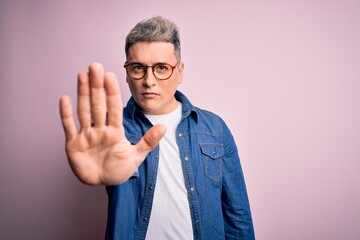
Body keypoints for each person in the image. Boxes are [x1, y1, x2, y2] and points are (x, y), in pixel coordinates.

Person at [59, 16, 255, 240]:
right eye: (138, 68)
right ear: (126, 72)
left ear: (180, 71)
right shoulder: (108, 130)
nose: (149, 80)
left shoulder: (215, 129)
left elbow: (237, 215)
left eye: (161, 68)